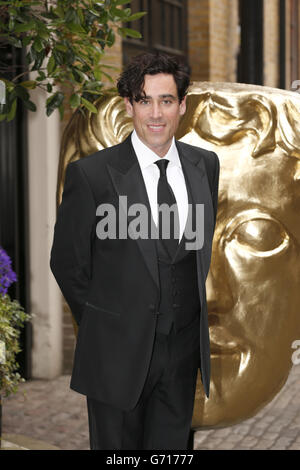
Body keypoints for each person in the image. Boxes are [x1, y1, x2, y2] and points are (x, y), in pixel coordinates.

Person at [50, 52, 220, 450]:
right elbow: (68, 263)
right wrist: (106, 322)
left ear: (182, 105)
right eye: (144, 100)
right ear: (129, 106)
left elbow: (195, 251)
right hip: (116, 356)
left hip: (182, 358)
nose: (156, 113)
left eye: (165, 100)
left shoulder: (205, 166)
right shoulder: (91, 175)